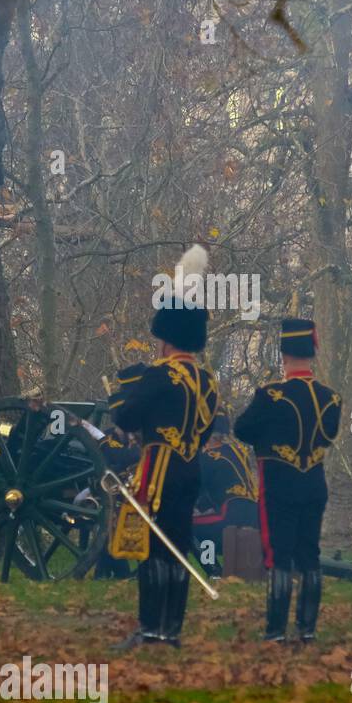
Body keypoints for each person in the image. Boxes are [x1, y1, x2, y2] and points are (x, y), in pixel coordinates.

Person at [112, 246, 219, 648]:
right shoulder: (209, 381)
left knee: (154, 551)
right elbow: (206, 431)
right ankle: (171, 630)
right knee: (178, 549)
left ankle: (150, 628)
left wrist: (139, 425)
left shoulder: (159, 375)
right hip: (191, 473)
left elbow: (125, 418)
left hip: (157, 472)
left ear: (166, 340)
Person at [233, 319, 341, 642]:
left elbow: (242, 429)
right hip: (314, 485)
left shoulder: (271, 395)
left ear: (283, 355)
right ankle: (307, 630)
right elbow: (329, 435)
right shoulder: (331, 398)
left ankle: (276, 630)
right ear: (312, 352)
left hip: (280, 486)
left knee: (279, 556)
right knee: (310, 554)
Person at [92, 364, 144, 579]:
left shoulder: (142, 437)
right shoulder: (108, 438)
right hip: (111, 492)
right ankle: (114, 573)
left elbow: (132, 457)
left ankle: (109, 573)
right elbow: (114, 459)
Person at [192, 410, 258, 575]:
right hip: (254, 513)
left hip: (231, 515)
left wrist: (196, 507)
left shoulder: (207, 456)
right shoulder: (238, 451)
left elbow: (195, 489)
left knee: (188, 527)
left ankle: (212, 569)